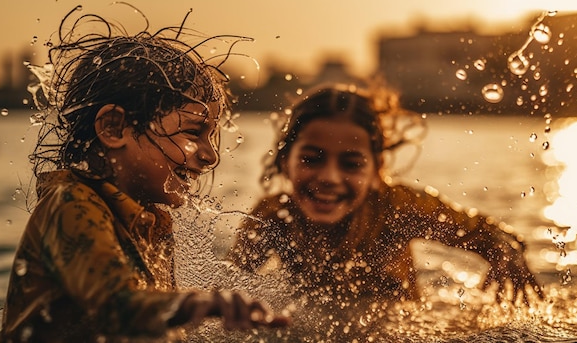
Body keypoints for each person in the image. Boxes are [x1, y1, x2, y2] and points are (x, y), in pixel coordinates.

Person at [0, 5, 288, 342]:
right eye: (194, 133)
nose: (210, 157)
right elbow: (117, 306)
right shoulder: (70, 205)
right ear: (114, 127)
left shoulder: (152, 221)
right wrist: (202, 304)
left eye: (211, 136)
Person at [228, 82, 544, 307]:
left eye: (351, 163)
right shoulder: (271, 219)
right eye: (312, 159)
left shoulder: (400, 209)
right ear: (285, 161)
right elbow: (228, 285)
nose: (329, 178)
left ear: (377, 170)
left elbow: (492, 236)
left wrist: (506, 257)